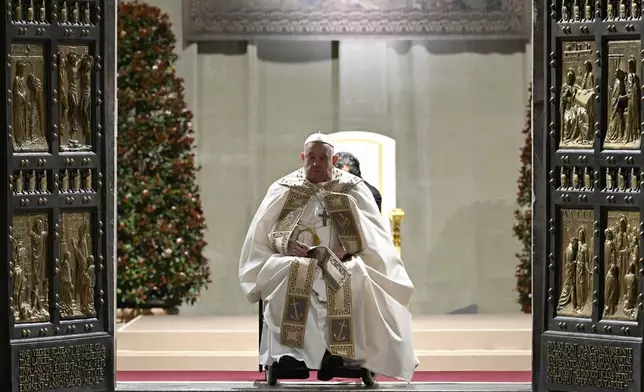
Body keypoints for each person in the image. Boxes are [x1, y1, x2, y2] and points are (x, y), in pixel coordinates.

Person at [239, 132, 417, 382]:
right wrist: (286, 243)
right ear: (303, 157)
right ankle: (290, 357)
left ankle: (342, 356)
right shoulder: (285, 187)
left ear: (332, 160)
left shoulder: (352, 187)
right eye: (311, 157)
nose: (316, 163)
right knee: (286, 274)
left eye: (323, 158)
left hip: (342, 258)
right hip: (294, 259)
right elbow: (265, 232)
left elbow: (371, 233)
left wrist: (347, 247)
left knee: (353, 276)